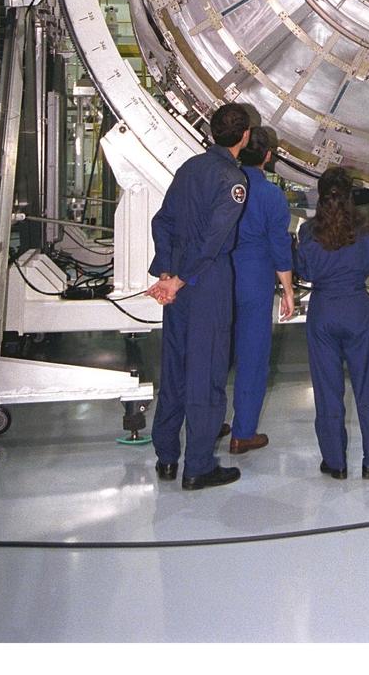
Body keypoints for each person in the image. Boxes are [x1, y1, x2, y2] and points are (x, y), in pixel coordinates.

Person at [146, 102, 251, 491]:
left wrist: (167, 271)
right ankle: (199, 467)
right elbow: (213, 240)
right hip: (206, 282)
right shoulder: (233, 180)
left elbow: (163, 221)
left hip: (179, 280)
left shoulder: (189, 168)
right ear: (245, 136)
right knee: (206, 373)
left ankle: (166, 457)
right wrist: (180, 279)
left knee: (174, 370)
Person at [294, 167, 369, 481]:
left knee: (327, 390)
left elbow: (304, 271)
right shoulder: (365, 230)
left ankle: (334, 461)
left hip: (323, 311)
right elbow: (368, 263)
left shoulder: (308, 232)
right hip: (355, 309)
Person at [229, 126, 295, 454]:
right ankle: (242, 433)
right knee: (252, 357)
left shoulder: (224, 185)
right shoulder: (271, 196)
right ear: (268, 157)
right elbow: (280, 246)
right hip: (255, 279)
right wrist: (288, 290)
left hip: (219, 275)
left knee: (213, 353)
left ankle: (208, 423)